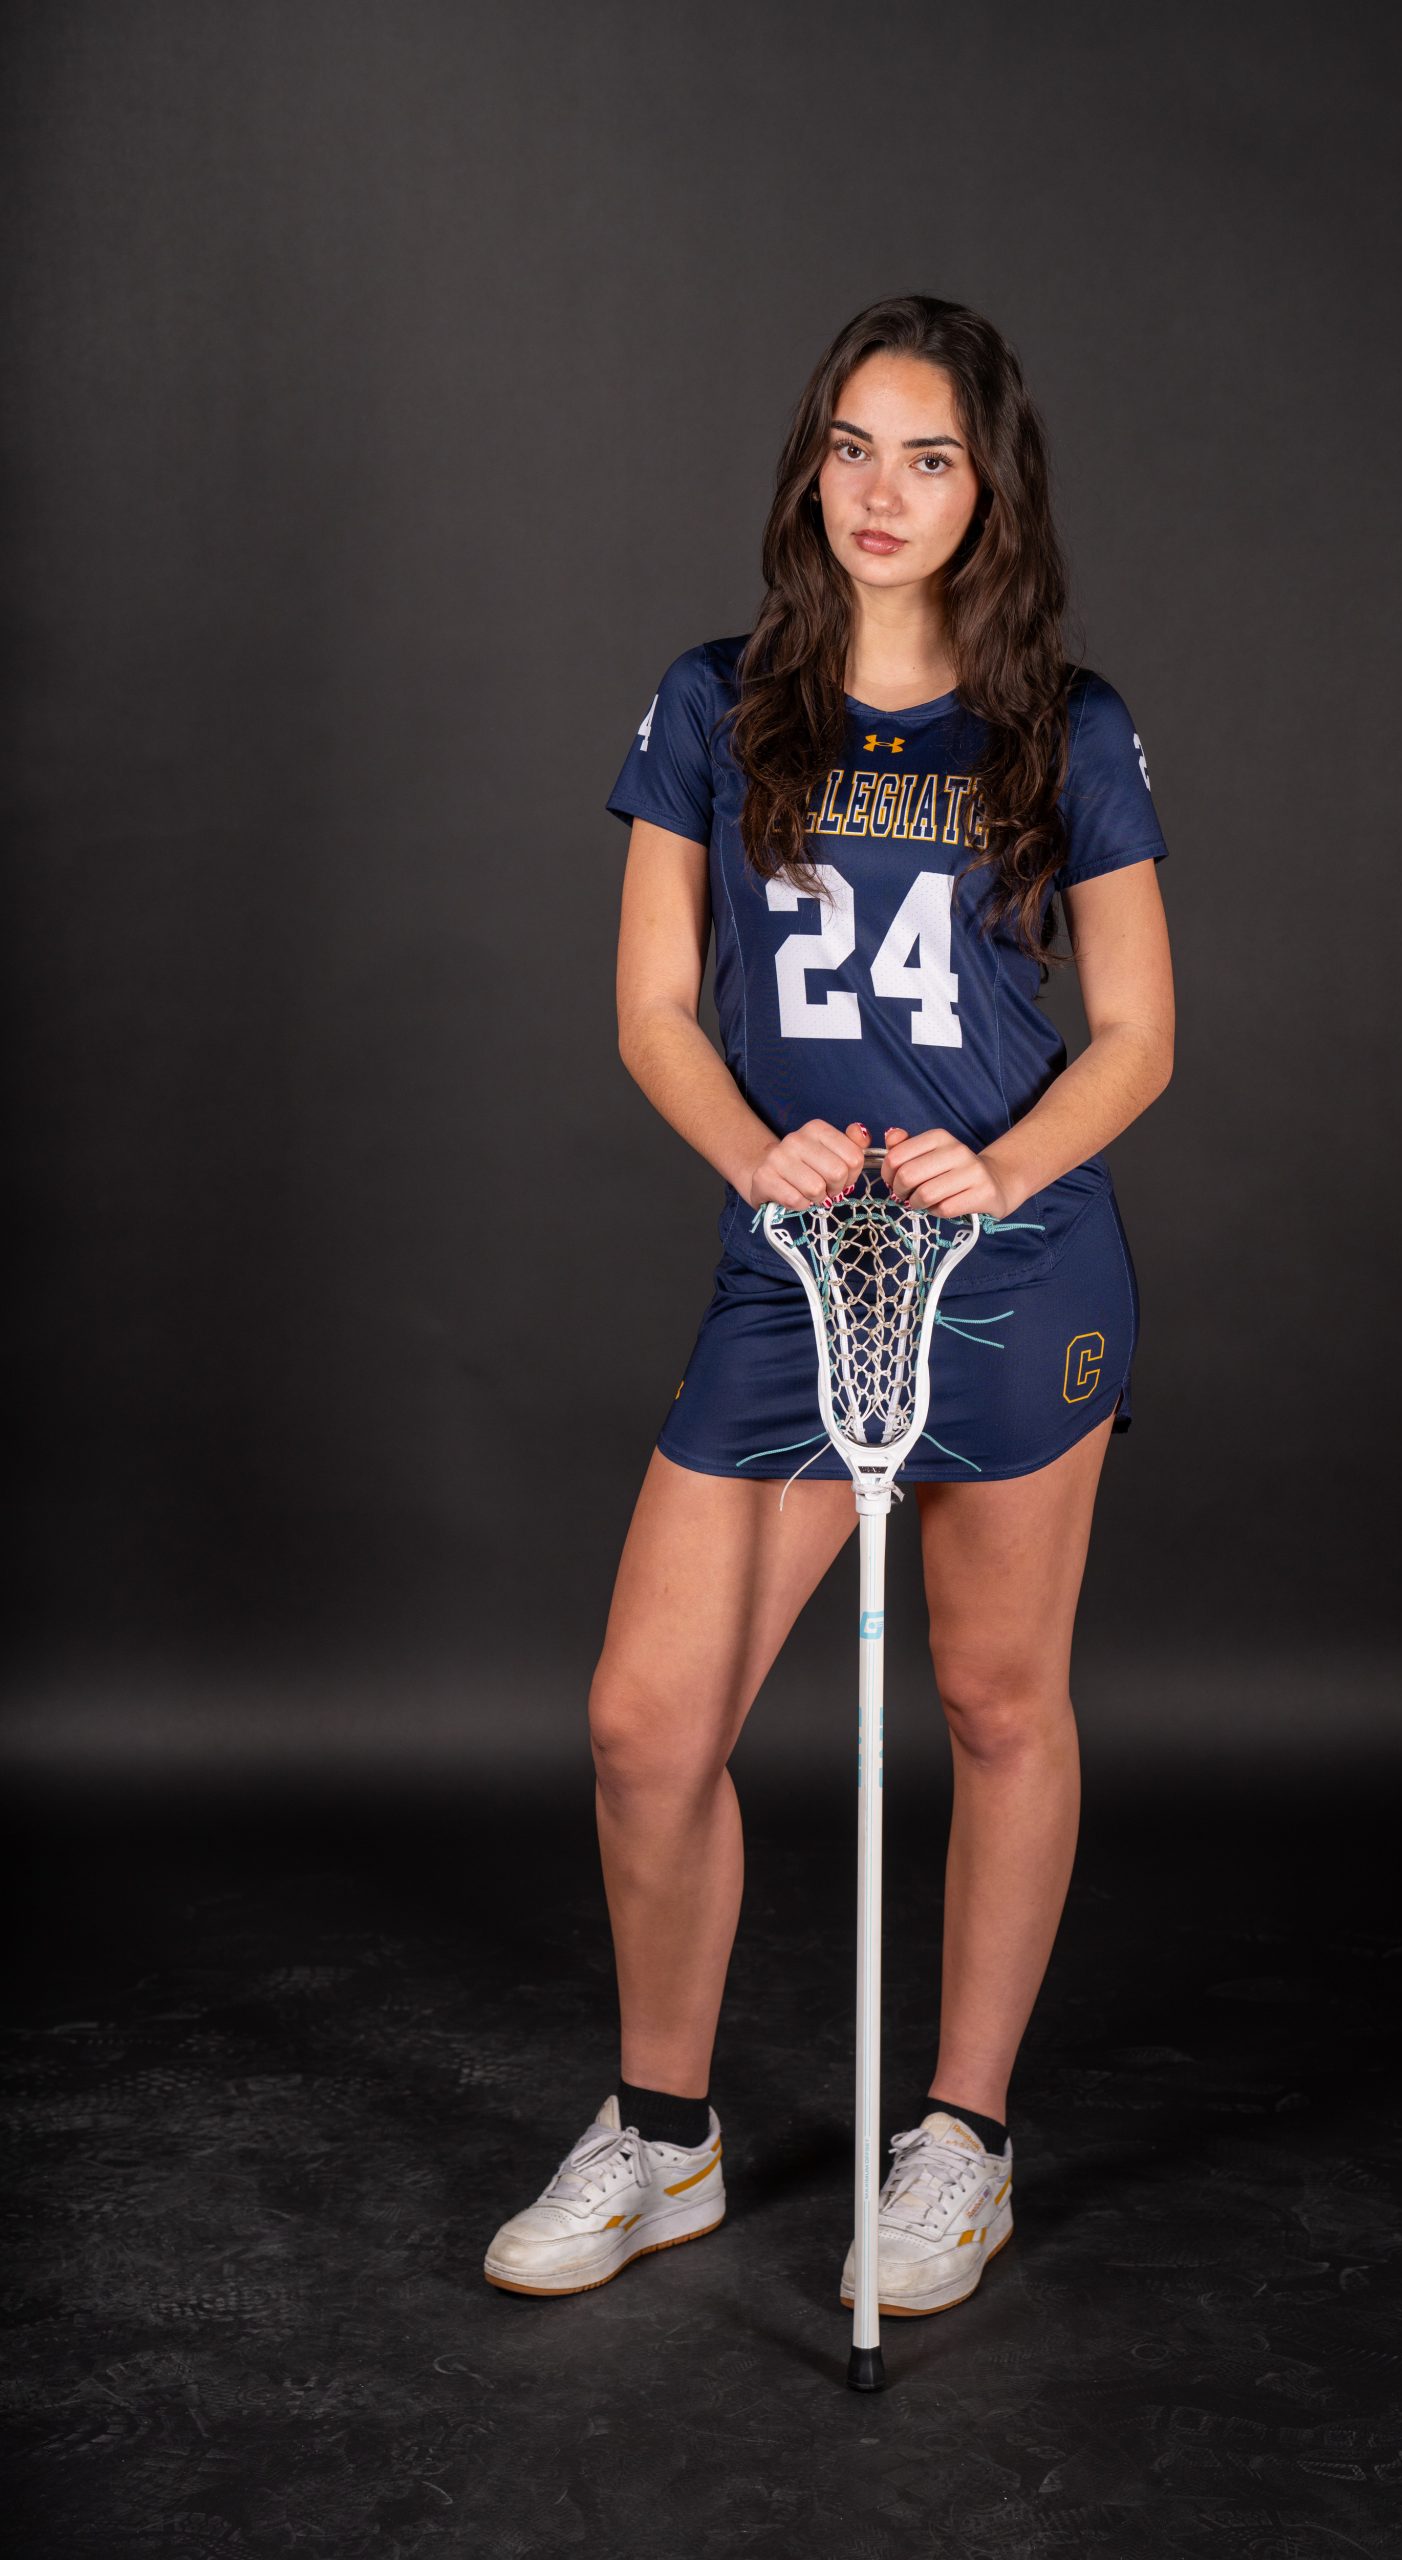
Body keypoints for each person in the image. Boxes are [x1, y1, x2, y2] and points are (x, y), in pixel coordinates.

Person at [485, 293, 1176, 2316]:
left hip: (1011, 1267)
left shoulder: (1066, 723)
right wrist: (748, 1149)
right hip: (797, 1266)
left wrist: (1009, 1166)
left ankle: (960, 2135)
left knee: (996, 1703)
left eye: (928, 457)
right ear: (810, 468)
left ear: (988, 490)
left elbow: (1135, 1034)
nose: (882, 492)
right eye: (852, 448)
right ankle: (663, 2133)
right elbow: (652, 1006)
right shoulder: (716, 703)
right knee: (645, 1722)